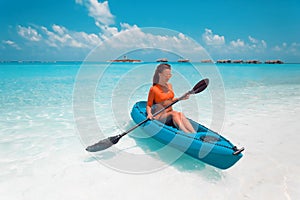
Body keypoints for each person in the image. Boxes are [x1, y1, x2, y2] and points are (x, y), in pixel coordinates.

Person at [146, 63, 195, 133]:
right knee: (174, 113)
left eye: (170, 75)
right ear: (160, 74)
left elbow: (171, 101)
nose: (169, 77)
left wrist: (181, 98)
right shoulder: (153, 89)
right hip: (159, 116)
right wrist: (149, 114)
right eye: (167, 75)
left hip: (170, 113)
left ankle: (194, 133)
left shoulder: (169, 86)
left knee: (180, 114)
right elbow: (149, 105)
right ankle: (186, 133)